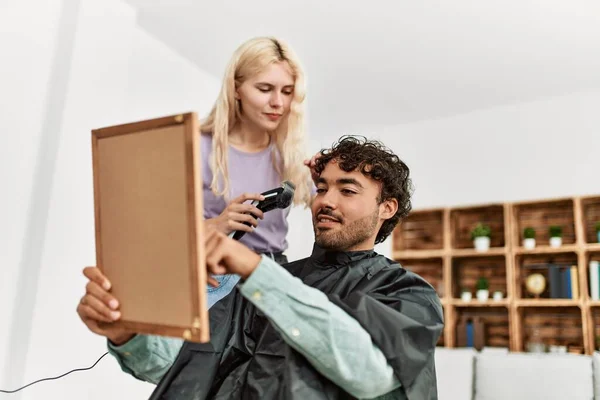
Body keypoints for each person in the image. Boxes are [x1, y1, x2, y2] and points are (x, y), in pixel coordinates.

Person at [77, 136, 444, 399]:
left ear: (387, 208)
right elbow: (182, 366)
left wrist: (255, 270)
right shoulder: (264, 280)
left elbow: (370, 373)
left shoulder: (407, 293)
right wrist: (128, 333)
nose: (326, 202)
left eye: (347, 191)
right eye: (321, 188)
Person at [199, 35, 313, 306]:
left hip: (270, 276)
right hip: (213, 276)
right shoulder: (196, 146)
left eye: (287, 91)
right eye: (265, 89)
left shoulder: (291, 156)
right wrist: (218, 224)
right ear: (236, 88)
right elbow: (160, 232)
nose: (279, 103)